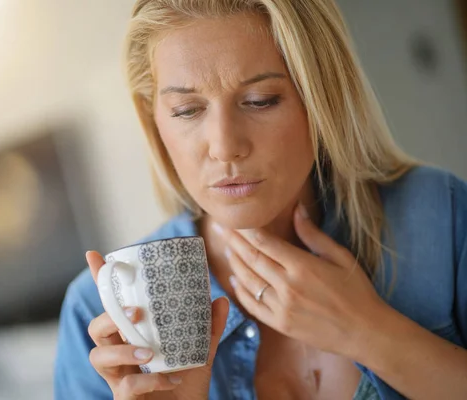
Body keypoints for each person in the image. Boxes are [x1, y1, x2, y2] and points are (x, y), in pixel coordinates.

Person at [54, 0, 467, 399]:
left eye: (259, 101)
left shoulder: (439, 217)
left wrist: (371, 334)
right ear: (153, 119)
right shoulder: (98, 312)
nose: (225, 146)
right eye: (186, 110)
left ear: (322, 97)